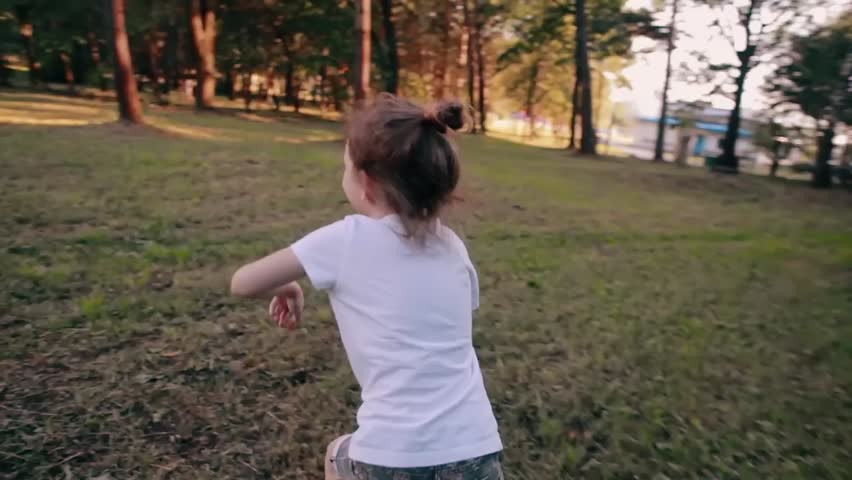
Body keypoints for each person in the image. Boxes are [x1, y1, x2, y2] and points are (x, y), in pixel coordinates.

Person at [230, 94, 504, 480]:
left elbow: (242, 283)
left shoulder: (347, 239)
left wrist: (288, 286)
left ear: (367, 184)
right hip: (478, 450)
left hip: (391, 456)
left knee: (337, 454)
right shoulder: (453, 248)